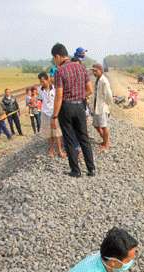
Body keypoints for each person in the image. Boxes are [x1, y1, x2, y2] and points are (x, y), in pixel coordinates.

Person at [51, 43, 96, 178]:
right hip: (80, 106)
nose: (55, 61)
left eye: (54, 58)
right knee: (84, 138)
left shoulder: (60, 71)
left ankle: (76, 171)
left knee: (70, 140)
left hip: (66, 108)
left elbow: (59, 95)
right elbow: (90, 90)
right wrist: (80, 96)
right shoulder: (81, 68)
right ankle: (91, 169)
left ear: (58, 56)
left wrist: (54, 116)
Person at [38, 72, 65, 158]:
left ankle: (60, 150)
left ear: (47, 79)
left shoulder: (55, 88)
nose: (42, 83)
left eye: (43, 81)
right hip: (45, 113)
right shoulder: (40, 90)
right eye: (40, 81)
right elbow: (40, 101)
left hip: (54, 113)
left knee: (57, 133)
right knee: (49, 133)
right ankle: (51, 149)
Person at [91, 63, 113, 150]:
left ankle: (106, 144)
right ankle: (105, 140)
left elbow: (109, 95)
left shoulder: (104, 81)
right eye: (93, 71)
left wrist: (107, 105)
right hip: (97, 106)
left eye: (95, 71)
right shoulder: (98, 79)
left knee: (104, 126)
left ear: (101, 71)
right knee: (96, 125)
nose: (94, 73)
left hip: (102, 107)